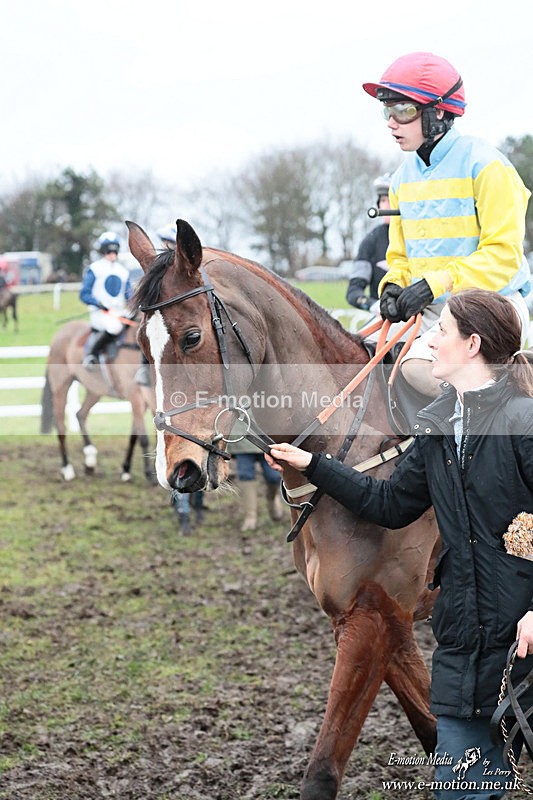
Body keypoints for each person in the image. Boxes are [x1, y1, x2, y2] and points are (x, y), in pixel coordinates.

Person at [266, 289, 533, 798]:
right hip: (465, 648)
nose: (428, 340)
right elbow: (389, 504)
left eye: (441, 331)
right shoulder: (435, 426)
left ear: (472, 344)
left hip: (523, 642)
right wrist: (315, 467)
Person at [362, 52, 531, 397]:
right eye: (388, 111)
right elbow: (400, 257)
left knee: (418, 367)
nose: (391, 122)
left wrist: (434, 284)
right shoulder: (401, 178)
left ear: (438, 112)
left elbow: (503, 257)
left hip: (491, 307)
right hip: (434, 312)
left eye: (403, 111)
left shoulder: (487, 165)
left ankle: (491, 441)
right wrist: (394, 286)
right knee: (348, 356)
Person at [80, 231, 133, 368]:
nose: (112, 253)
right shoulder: (94, 269)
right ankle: (91, 354)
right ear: (103, 251)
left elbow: (129, 296)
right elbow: (84, 294)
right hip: (101, 314)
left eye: (114, 250)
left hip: (119, 313)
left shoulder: (123, 271)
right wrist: (97, 304)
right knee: (114, 327)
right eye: (109, 250)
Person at [134, 223, 177, 387]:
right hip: (158, 310)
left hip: (177, 310)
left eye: (170, 242)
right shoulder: (155, 266)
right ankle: (144, 369)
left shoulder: (180, 266)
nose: (166, 245)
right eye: (165, 241)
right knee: (148, 331)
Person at [346, 173, 392, 313]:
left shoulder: (416, 237)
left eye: (391, 200)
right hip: (383, 318)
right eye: (383, 200)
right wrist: (373, 305)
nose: (386, 205)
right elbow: (353, 292)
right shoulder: (371, 241)